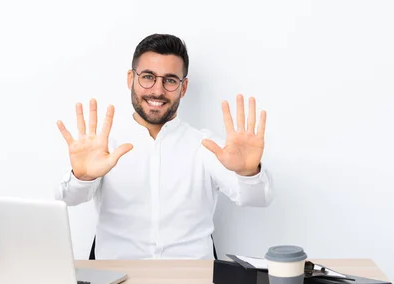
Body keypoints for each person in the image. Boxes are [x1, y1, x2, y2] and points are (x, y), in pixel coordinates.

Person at [55, 33, 273, 260]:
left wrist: (249, 173)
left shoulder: (206, 146)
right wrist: (82, 177)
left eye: (170, 80)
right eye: (148, 77)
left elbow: (257, 198)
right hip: (115, 281)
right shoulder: (105, 145)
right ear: (131, 79)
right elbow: (69, 199)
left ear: (184, 87)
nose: (157, 91)